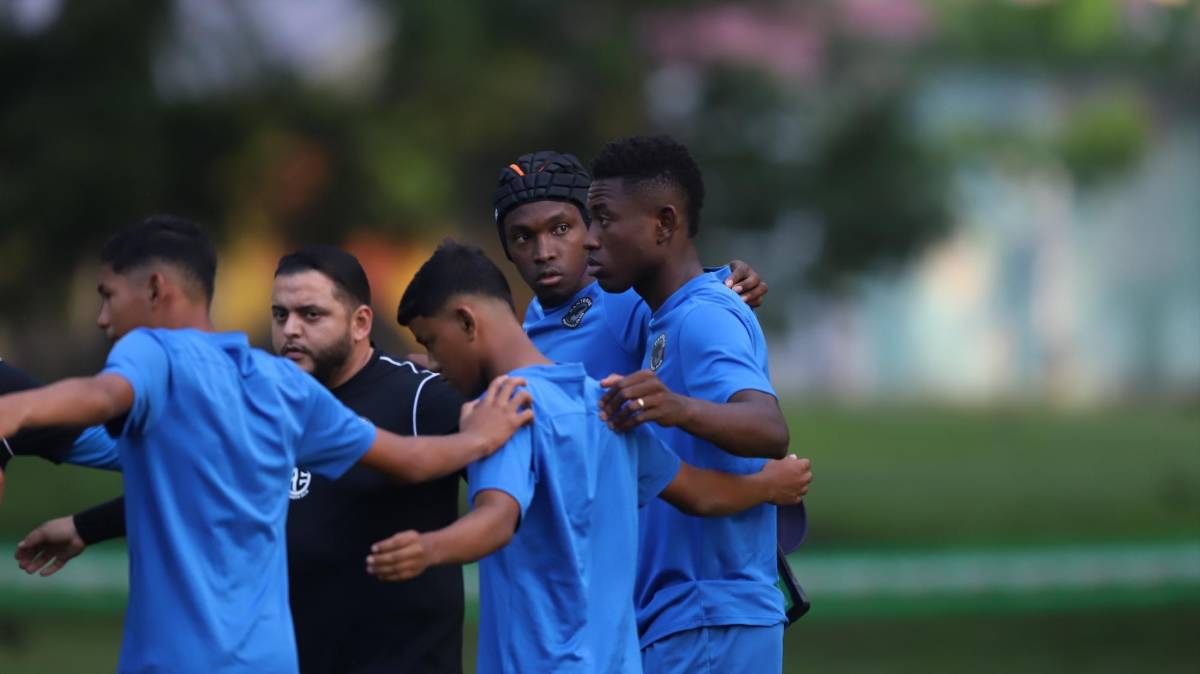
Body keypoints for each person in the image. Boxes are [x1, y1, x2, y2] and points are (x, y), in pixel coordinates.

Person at [0, 216, 531, 674]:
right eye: (281, 315)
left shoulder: (157, 355)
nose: (291, 330)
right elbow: (212, 482)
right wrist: (85, 526)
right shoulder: (280, 388)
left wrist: (15, 410)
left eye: (311, 315)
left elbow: (99, 395)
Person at [363, 241, 812, 674]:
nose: (434, 363)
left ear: (466, 322)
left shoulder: (501, 415)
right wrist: (767, 487)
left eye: (432, 342)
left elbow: (496, 520)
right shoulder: (603, 403)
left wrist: (427, 548)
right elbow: (696, 492)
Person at [585, 135, 792, 673]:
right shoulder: (666, 317)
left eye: (604, 219)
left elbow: (769, 428)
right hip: (683, 619)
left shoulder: (703, 318)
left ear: (664, 223)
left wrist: (677, 407)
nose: (589, 239)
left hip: (710, 619)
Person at [491, 150, 767, 380]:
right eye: (523, 237)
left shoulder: (620, 300)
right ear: (507, 249)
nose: (544, 252)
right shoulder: (535, 315)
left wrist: (728, 281)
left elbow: (689, 301)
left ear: (590, 227)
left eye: (561, 228)